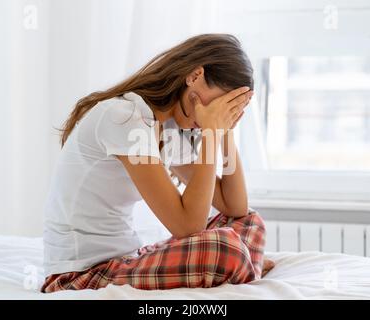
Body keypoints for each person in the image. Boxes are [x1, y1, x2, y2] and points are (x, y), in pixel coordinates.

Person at [41, 33, 274, 293]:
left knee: (251, 224)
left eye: (227, 107)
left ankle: (242, 265)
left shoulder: (169, 129)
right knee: (226, 250)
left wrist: (224, 129)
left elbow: (235, 207)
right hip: (80, 273)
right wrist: (210, 133)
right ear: (195, 76)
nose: (214, 113)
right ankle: (243, 264)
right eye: (218, 103)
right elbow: (187, 226)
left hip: (126, 257)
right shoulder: (125, 118)